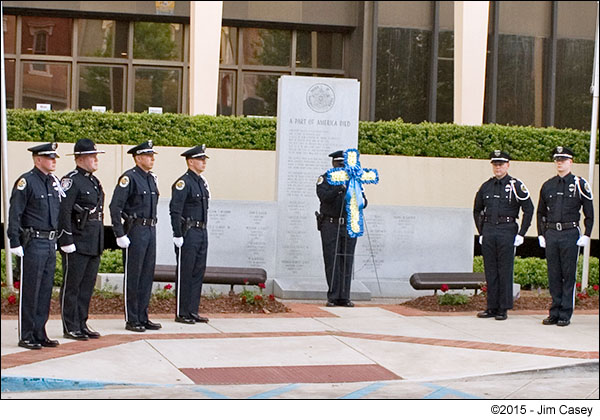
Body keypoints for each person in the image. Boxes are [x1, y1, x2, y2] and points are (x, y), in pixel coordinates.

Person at [8, 142, 63, 350]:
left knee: (45, 290)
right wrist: (14, 241)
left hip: (49, 242)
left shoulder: (52, 182)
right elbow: (16, 213)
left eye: (54, 158)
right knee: (31, 290)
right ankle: (27, 334)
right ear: (38, 159)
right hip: (32, 242)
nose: (53, 161)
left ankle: (40, 332)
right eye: (50, 158)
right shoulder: (27, 182)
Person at [473, 150, 534, 321]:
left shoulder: (516, 185)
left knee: (504, 271)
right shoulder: (486, 186)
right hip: (489, 230)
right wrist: (481, 231)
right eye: (495, 164)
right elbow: (477, 209)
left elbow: (528, 209)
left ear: (508, 165)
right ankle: (491, 306)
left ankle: (503, 308)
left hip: (507, 230)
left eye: (501, 164)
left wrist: (522, 233)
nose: (498, 167)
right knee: (490, 271)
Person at [537, 146, 594, 327]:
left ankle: (565, 313)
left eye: (564, 160)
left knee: (568, 274)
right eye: (558, 160)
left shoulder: (579, 183)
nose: (560, 163)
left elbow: (589, 212)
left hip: (570, 233)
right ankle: (554, 311)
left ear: (571, 162)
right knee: (554, 274)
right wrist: (541, 234)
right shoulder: (548, 185)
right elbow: (541, 212)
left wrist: (587, 234)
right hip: (552, 233)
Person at [109, 140, 161, 332]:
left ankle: (143, 315)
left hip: (150, 229)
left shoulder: (151, 178)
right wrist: (119, 233)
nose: (152, 158)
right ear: (138, 158)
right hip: (135, 229)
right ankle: (132, 318)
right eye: (148, 155)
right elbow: (115, 207)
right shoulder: (129, 178)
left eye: (152, 155)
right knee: (134, 275)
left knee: (147, 274)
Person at [57, 138, 105, 341]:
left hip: (92, 241)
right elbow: (64, 212)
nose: (96, 160)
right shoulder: (71, 180)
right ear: (80, 158)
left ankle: (81, 322)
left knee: (86, 287)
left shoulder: (94, 181)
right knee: (72, 286)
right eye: (92, 156)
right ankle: (70, 325)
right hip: (76, 241)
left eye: (95, 156)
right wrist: (66, 240)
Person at [316, 150, 365, 307]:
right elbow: (324, 197)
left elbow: (363, 200)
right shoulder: (325, 179)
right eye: (339, 164)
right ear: (333, 164)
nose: (342, 168)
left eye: (344, 165)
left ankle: (344, 296)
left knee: (346, 260)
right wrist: (339, 187)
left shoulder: (354, 180)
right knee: (332, 260)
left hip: (349, 224)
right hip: (331, 224)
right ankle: (333, 296)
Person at [169, 144, 211, 324]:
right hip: (188, 232)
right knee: (185, 272)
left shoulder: (201, 182)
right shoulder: (183, 182)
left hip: (201, 231)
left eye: (204, 160)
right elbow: (175, 210)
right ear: (191, 161)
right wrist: (177, 234)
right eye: (200, 160)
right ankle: (182, 312)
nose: (203, 163)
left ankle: (192, 310)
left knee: (197, 272)